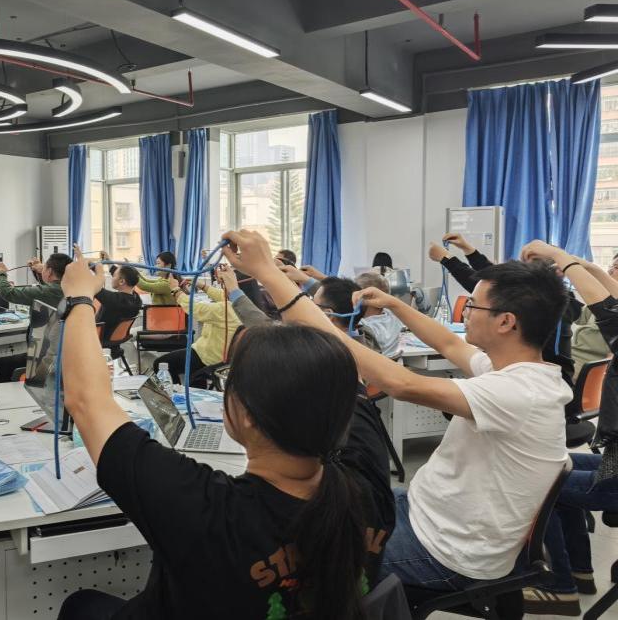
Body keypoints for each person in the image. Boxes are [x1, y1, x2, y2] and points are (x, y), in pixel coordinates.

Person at [221, 229, 571, 592]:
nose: (466, 311)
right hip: (426, 512)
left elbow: (399, 383)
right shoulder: (515, 372)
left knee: (299, 559)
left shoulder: (519, 392)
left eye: (473, 305)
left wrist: (269, 274)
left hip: (445, 551)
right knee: (323, 514)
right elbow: (449, 343)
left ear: (506, 322)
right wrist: (395, 304)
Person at [55, 254, 395, 620]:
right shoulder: (370, 483)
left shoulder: (207, 509)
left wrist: (79, 297)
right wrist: (263, 270)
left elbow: (87, 401)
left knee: (80, 605)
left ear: (245, 414)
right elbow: (343, 364)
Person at [516, 241, 618, 615]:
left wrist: (560, 256)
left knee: (539, 483)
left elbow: (609, 310)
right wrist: (584, 265)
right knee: (559, 466)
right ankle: (579, 572)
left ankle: (559, 587)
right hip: (615, 457)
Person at [429, 232, 581, 386]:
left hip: (547, 380)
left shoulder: (546, 301)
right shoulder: (556, 297)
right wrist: (469, 250)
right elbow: (497, 278)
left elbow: (490, 288)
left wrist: (447, 259)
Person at [153, 270, 240, 384]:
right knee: (192, 375)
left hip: (207, 358)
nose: (221, 283)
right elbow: (222, 296)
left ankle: (175, 391)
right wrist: (201, 285)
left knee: (160, 364)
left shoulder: (225, 309)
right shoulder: (243, 305)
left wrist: (175, 289)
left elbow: (194, 308)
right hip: (214, 355)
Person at [354, 271, 404, 359]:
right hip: (391, 363)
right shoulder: (394, 317)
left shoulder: (363, 325)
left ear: (366, 297)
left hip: (373, 365)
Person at [0, 252, 70, 308]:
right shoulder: (68, 287)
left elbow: (9, 293)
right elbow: (49, 290)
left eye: (44, 267)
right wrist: (39, 272)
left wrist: (0, 272)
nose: (42, 268)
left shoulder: (51, 291)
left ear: (49, 272)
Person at [93, 263, 142, 345]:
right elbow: (124, 276)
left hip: (99, 336)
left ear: (122, 281)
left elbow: (93, 286)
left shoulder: (115, 300)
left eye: (114, 276)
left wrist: (99, 273)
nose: (112, 278)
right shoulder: (136, 299)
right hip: (117, 336)